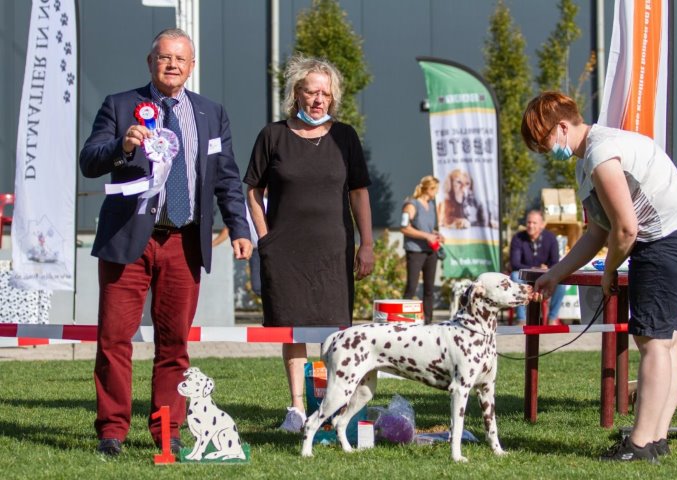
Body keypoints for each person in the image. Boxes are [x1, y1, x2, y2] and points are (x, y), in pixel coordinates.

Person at [79, 28, 253, 456]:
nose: (172, 65)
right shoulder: (120, 106)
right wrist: (122, 146)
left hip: (184, 242)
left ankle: (167, 430)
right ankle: (112, 432)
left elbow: (226, 177)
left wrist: (240, 228)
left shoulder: (212, 113)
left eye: (181, 59)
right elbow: (89, 160)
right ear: (150, 62)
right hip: (127, 240)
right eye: (164, 57)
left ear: (192, 66)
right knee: (114, 340)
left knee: (174, 345)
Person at [520, 91, 677, 463]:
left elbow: (625, 229)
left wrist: (610, 272)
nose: (544, 151)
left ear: (561, 126)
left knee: (653, 341)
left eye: (542, 141)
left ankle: (639, 446)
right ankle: (655, 439)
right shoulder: (590, 158)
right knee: (666, 340)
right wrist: (555, 275)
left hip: (668, 241)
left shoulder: (600, 153)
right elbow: (597, 232)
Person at [243, 55, 374, 433]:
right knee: (292, 330)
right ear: (295, 94)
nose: (318, 99)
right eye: (310, 91)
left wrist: (367, 244)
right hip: (284, 251)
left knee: (334, 333)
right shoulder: (273, 135)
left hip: (333, 250)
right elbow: (253, 189)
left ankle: (331, 407)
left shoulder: (345, 136)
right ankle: (297, 409)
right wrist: (264, 236)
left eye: (325, 93)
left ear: (333, 98)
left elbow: (359, 193)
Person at [509, 209, 566, 325]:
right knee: (515, 276)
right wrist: (534, 269)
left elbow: (555, 262)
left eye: (534, 223)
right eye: (528, 222)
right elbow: (515, 263)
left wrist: (547, 270)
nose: (530, 225)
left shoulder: (550, 238)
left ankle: (553, 318)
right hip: (525, 275)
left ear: (542, 225)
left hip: (546, 274)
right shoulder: (518, 238)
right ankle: (522, 319)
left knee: (562, 283)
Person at [400, 176, 444, 323]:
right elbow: (404, 228)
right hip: (415, 251)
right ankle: (403, 322)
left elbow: (429, 228)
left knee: (429, 289)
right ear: (429, 188)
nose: (436, 193)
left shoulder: (431, 205)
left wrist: (435, 235)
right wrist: (426, 236)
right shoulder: (411, 204)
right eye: (435, 189)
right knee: (412, 287)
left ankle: (428, 322)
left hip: (431, 251)